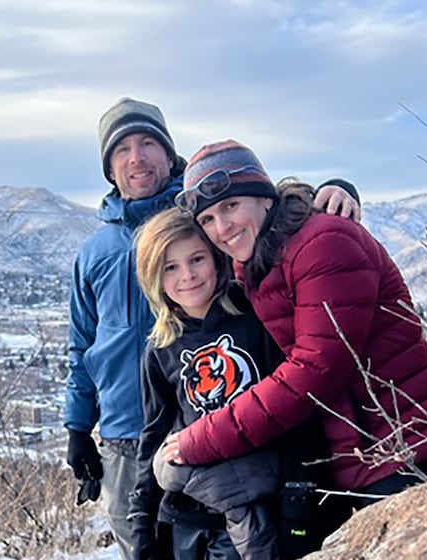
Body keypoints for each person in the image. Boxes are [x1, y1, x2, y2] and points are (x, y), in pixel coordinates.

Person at [64, 98, 361, 559]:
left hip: (248, 446)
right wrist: (78, 426)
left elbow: (266, 218)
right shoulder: (95, 252)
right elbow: (82, 345)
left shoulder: (207, 218)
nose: (136, 158)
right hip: (135, 440)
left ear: (169, 153)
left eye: (147, 143)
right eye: (122, 150)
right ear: (109, 167)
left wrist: (331, 194)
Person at [163, 139, 427, 510]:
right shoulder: (257, 263)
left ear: (264, 197)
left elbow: (316, 371)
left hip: (401, 448)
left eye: (230, 206)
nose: (221, 228)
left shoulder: (324, 242)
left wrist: (204, 438)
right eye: (207, 219)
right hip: (356, 456)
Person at [130, 208, 286, 559]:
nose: (187, 276)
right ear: (154, 278)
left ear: (216, 259)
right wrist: (143, 520)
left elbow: (293, 404)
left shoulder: (256, 317)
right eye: (170, 267)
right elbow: (154, 436)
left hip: (257, 502)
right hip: (187, 512)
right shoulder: (160, 349)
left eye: (196, 259)